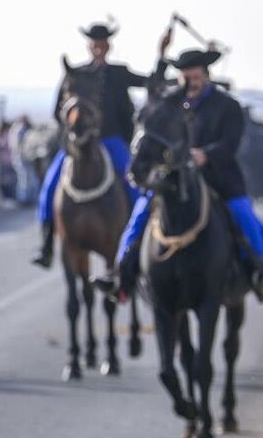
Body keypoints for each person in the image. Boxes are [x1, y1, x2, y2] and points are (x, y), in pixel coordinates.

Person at [96, 48, 263, 302]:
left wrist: (205, 155)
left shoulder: (227, 105)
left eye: (196, 77)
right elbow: (152, 93)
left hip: (217, 176)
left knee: (242, 213)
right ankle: (122, 275)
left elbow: (231, 143)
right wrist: (160, 52)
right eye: (185, 77)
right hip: (172, 179)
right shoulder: (169, 106)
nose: (191, 83)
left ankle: (261, 269)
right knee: (140, 213)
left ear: (206, 76)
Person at [31, 22, 166, 268]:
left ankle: (140, 242)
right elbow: (57, 112)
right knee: (50, 186)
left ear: (108, 47)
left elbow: (152, 82)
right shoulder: (74, 73)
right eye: (95, 44)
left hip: (112, 139)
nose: (98, 49)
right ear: (89, 46)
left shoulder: (118, 72)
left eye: (102, 45)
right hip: (78, 144)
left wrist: (162, 57)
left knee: (136, 188)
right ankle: (46, 244)